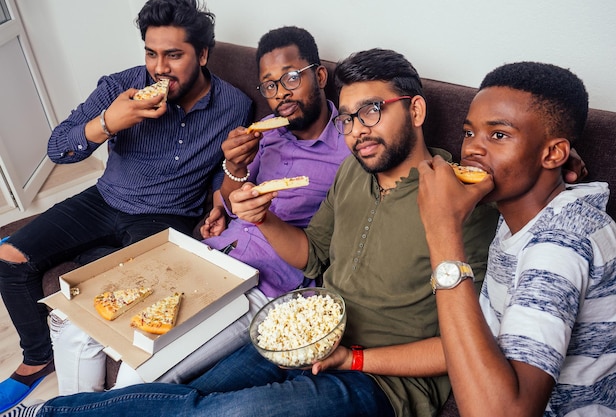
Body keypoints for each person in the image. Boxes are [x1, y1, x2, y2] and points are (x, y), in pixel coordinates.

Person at [1, 48, 501, 417]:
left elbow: (467, 342)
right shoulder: (355, 171)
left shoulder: (463, 198)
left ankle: (48, 414)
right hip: (303, 332)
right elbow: (313, 253)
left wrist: (355, 357)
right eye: (348, 118)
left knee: (223, 414)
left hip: (380, 381)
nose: (356, 132)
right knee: (199, 392)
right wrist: (264, 218)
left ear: (414, 110)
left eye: (372, 111)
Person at [51, 26, 351, 392]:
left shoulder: (350, 149)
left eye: (291, 78)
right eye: (269, 86)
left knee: (139, 374)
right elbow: (226, 196)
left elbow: (337, 245)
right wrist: (235, 171)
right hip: (208, 257)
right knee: (76, 330)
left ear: (319, 76)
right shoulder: (267, 134)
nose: (281, 94)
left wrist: (254, 214)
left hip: (266, 285)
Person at [0, 0, 252, 411]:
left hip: (167, 215)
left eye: (174, 55)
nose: (159, 67)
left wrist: (216, 204)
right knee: (8, 257)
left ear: (203, 54)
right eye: (151, 53)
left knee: (115, 292)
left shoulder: (234, 106)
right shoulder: (120, 87)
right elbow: (58, 148)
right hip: (105, 198)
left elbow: (218, 171)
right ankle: (37, 357)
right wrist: (107, 124)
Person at [417, 62, 616, 415]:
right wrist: (354, 359)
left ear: (553, 153)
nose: (472, 151)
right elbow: (471, 343)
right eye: (470, 133)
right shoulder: (521, 212)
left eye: (498, 135)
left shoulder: (560, 246)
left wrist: (442, 232)